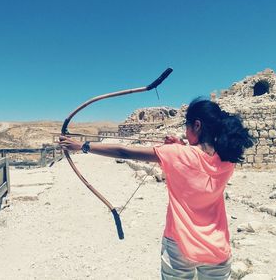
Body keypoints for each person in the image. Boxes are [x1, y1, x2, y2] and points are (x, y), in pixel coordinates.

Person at [59, 98, 254, 280]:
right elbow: (201, 157)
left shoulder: (177, 154)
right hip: (216, 246)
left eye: (186, 126)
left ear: (197, 125)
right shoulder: (229, 158)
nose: (185, 132)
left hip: (180, 246)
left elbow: (123, 151)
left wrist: (82, 146)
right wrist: (180, 146)